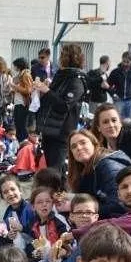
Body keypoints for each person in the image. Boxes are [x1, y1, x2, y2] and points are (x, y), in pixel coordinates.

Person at [36, 44, 86, 175]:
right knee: (53, 167)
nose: (59, 58)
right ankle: (58, 191)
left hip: (62, 131)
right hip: (49, 128)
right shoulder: (61, 75)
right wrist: (44, 91)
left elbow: (64, 106)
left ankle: (58, 192)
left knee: (56, 170)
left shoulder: (76, 80)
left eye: (62, 54)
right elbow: (51, 100)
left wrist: (47, 91)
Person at [67, 129, 131, 218]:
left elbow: (121, 204)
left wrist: (83, 211)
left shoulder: (108, 166)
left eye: (83, 143)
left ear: (94, 144)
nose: (78, 148)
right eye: (74, 146)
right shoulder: (84, 171)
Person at [108, 51, 131, 121]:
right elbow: (108, 85)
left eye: (128, 62)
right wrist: (113, 94)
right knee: (118, 122)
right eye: (124, 61)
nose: (125, 64)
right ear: (122, 60)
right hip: (119, 101)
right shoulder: (115, 72)